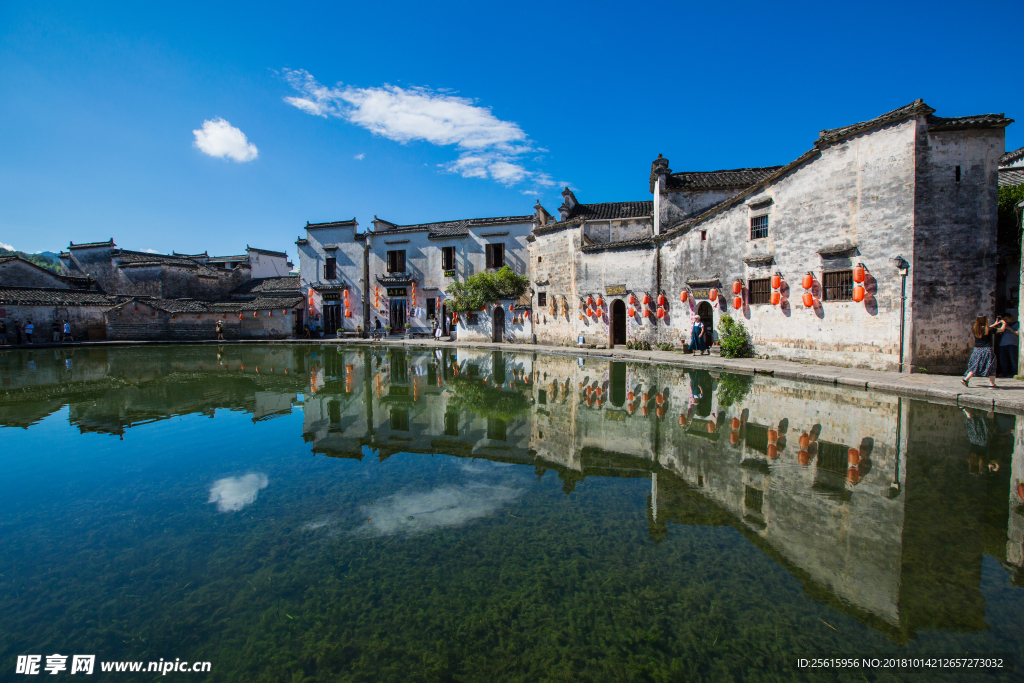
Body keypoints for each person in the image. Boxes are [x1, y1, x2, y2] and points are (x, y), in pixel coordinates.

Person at [962, 316, 997, 388]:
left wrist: (994, 324)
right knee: (991, 365)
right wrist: (1004, 324)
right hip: (987, 350)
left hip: (977, 350)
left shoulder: (975, 329)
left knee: (975, 365)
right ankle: (991, 384)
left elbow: (986, 329)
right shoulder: (990, 329)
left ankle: (966, 379)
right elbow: (1001, 330)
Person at [994, 312, 1019, 378]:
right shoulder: (1005, 325)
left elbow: (1018, 333)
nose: (1006, 321)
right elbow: (999, 333)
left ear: (1011, 318)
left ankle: (1015, 373)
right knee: (1003, 360)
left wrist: (1009, 328)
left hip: (1013, 344)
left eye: (1007, 319)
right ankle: (1004, 373)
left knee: (1013, 360)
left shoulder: (1017, 324)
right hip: (1002, 344)